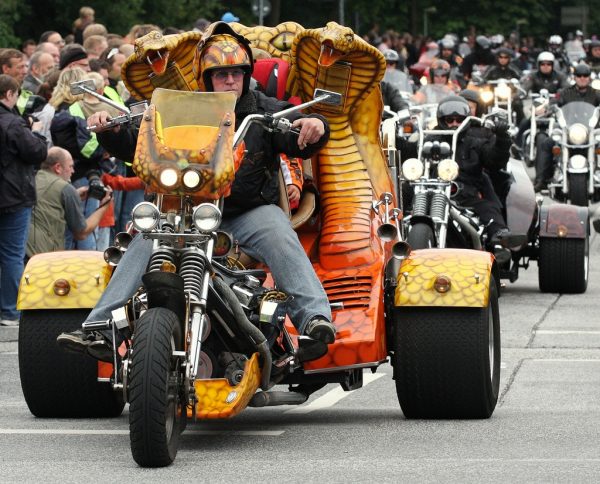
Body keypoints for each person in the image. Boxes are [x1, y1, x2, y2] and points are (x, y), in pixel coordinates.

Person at [57, 22, 336, 361]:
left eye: (236, 73)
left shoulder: (263, 108)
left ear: (246, 75)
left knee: (280, 233)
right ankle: (101, 327)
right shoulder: (182, 110)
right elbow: (137, 139)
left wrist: (316, 124)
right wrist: (106, 128)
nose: (230, 80)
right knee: (143, 239)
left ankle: (315, 320)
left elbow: (299, 136)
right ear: (207, 78)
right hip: (182, 212)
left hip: (246, 211)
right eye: (221, 74)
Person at [430, 96, 512, 247]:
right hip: (431, 194)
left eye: (459, 120)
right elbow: (407, 151)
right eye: (450, 120)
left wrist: (502, 137)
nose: (454, 124)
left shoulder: (475, 141)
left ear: (466, 120)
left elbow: (494, 160)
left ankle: (499, 242)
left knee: (488, 209)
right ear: (441, 120)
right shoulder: (428, 139)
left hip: (466, 197)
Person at [0, 75, 48, 326]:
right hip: (12, 196)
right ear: (9, 94)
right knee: (11, 254)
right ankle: (9, 311)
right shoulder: (12, 124)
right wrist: (37, 133)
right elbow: (36, 152)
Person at [26, 147, 112, 257]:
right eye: (70, 166)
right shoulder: (66, 188)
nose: (73, 171)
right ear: (58, 168)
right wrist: (104, 205)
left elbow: (50, 198)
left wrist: (74, 195)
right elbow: (81, 233)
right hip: (43, 257)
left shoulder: (33, 177)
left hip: (22, 251)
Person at [534, 63, 600, 191]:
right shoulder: (564, 93)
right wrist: (546, 108)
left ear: (589, 77)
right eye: (579, 75)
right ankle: (541, 180)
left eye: (585, 75)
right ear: (574, 77)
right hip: (568, 131)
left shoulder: (596, 94)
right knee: (546, 143)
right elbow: (553, 103)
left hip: (590, 131)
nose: (582, 78)